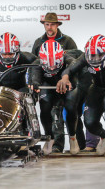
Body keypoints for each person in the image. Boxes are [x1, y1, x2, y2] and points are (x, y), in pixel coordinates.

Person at [57, 34, 105, 157]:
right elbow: (70, 69)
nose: (95, 59)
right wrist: (65, 78)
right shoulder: (84, 58)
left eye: (99, 55)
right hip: (96, 87)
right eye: (92, 55)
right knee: (89, 122)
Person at [31, 12, 78, 152]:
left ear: (57, 25)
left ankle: (75, 139)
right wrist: (34, 82)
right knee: (48, 111)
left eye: (52, 24)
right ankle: (52, 142)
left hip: (65, 80)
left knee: (72, 111)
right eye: (47, 24)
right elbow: (35, 66)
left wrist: (66, 78)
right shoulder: (38, 42)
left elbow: (75, 62)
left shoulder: (68, 41)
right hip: (48, 83)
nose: (49, 27)